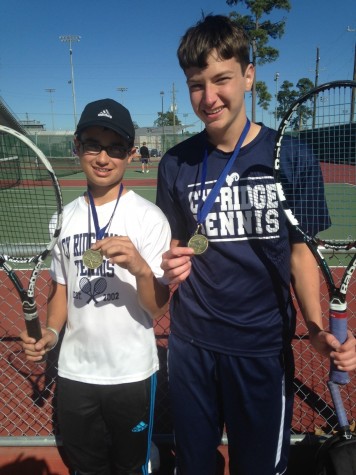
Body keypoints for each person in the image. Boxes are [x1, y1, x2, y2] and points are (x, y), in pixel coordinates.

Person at [156, 15, 356, 475]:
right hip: (191, 348)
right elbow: (171, 246)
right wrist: (167, 265)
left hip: (262, 349)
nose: (209, 98)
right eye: (195, 84)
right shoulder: (175, 164)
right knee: (195, 466)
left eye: (221, 79)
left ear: (249, 74)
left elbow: (300, 254)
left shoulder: (293, 158)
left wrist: (313, 325)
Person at [21, 98, 171, 475]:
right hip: (75, 375)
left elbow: (156, 310)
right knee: (85, 468)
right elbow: (60, 292)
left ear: (130, 153)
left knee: (131, 466)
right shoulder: (63, 218)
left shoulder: (150, 219)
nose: (103, 157)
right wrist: (52, 333)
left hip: (132, 374)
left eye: (115, 148)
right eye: (93, 144)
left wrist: (139, 268)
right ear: (77, 147)